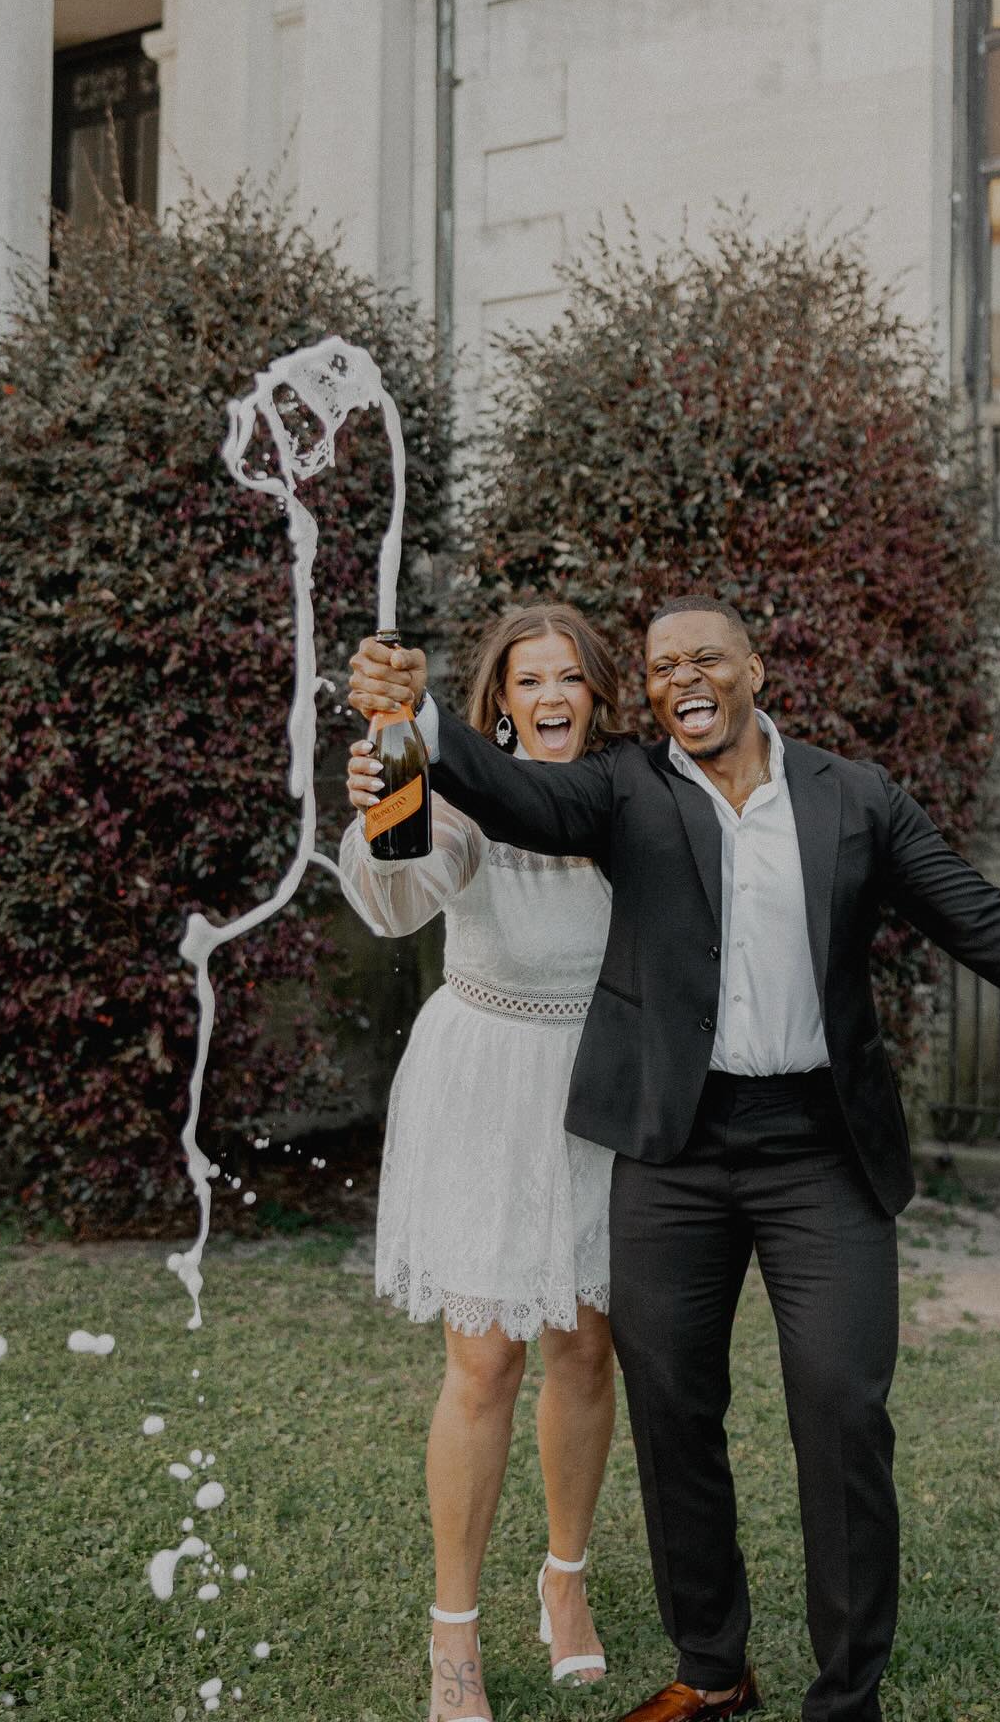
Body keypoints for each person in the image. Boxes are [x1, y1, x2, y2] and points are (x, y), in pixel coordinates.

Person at [347, 595, 1000, 1722]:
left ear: (757, 667)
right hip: (675, 1148)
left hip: (820, 1150)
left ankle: (844, 1696)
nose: (684, 679)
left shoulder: (854, 799)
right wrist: (413, 714)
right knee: (670, 1408)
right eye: (663, 668)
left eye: (707, 657)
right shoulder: (623, 792)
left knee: (842, 1407)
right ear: (647, 693)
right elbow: (510, 794)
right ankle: (712, 1670)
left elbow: (983, 921)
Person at [340, 603, 628, 1722]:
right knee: (485, 1357)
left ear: (595, 693)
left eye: (568, 678)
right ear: (497, 701)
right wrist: (382, 816)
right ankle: (451, 1633)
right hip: (485, 1083)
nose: (550, 697)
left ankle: (564, 1584)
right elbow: (411, 887)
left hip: (597, 1089)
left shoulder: (627, 795)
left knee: (586, 1345)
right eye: (527, 681)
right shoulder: (461, 788)